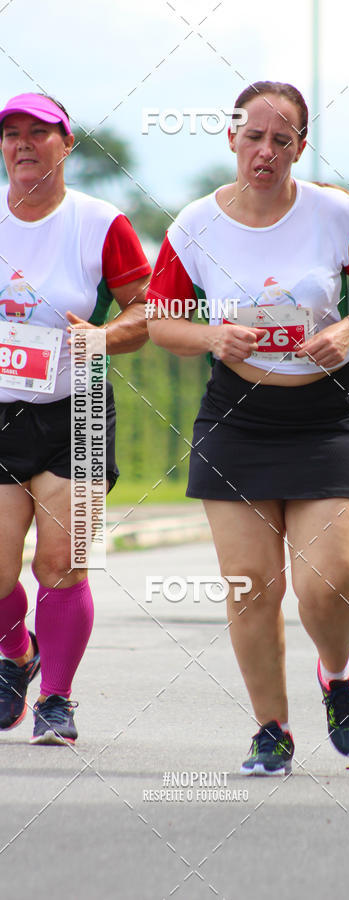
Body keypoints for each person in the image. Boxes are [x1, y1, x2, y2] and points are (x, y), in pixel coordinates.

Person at [147, 81, 349, 775]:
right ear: (231, 137)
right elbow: (161, 323)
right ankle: (272, 730)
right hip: (238, 420)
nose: (265, 150)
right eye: (254, 136)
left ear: (300, 145)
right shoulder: (194, 225)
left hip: (327, 418)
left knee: (329, 581)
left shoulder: (336, 213)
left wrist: (348, 327)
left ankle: (337, 674)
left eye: (281, 139)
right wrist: (212, 337)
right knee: (250, 586)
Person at [0, 93, 151, 744]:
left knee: (62, 562)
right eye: (11, 133)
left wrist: (101, 336)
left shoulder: (100, 223)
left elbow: (147, 310)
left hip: (78, 407)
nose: (22, 143)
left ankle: (56, 699)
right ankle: (17, 653)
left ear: (66, 144)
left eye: (39, 132)